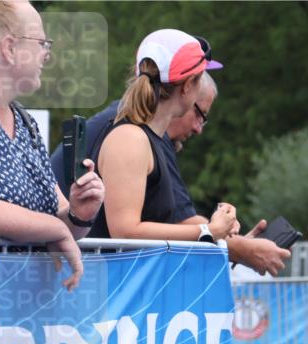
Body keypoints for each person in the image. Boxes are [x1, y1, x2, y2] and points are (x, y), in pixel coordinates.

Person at [53, 70, 289, 277]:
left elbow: (176, 218)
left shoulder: (145, 133)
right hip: (78, 275)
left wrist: (226, 237)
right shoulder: (134, 134)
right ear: (186, 91)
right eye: (200, 114)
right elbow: (127, 230)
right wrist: (226, 241)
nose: (198, 128)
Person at [0, 0, 105, 292]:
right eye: (41, 42)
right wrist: (57, 228)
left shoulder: (25, 121)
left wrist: (79, 212)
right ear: (9, 49)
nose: (46, 54)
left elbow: (57, 219)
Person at [90, 29, 237, 243]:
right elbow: (124, 231)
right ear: (187, 86)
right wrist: (208, 230)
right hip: (119, 276)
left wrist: (219, 224)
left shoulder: (150, 139)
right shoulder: (130, 138)